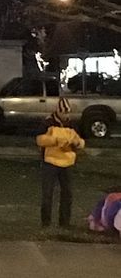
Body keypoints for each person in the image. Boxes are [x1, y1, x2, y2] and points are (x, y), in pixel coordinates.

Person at [35, 97, 85, 228]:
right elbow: (40, 140)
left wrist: (77, 143)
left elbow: (80, 141)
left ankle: (65, 223)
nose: (66, 115)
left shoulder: (72, 124)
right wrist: (56, 141)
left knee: (67, 194)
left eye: (68, 113)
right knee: (47, 194)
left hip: (67, 162)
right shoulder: (48, 123)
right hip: (50, 162)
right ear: (58, 111)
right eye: (64, 113)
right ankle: (46, 223)